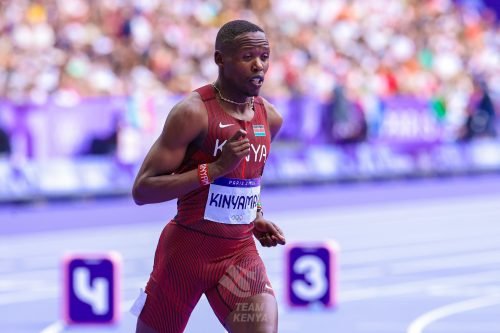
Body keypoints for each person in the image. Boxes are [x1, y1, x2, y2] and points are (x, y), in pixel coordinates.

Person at [131, 20, 286, 333]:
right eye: (247, 57)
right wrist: (213, 169)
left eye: (264, 56)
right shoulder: (192, 113)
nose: (259, 65)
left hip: (238, 255)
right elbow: (143, 190)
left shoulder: (269, 118)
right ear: (220, 59)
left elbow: (246, 178)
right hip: (186, 254)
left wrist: (254, 214)